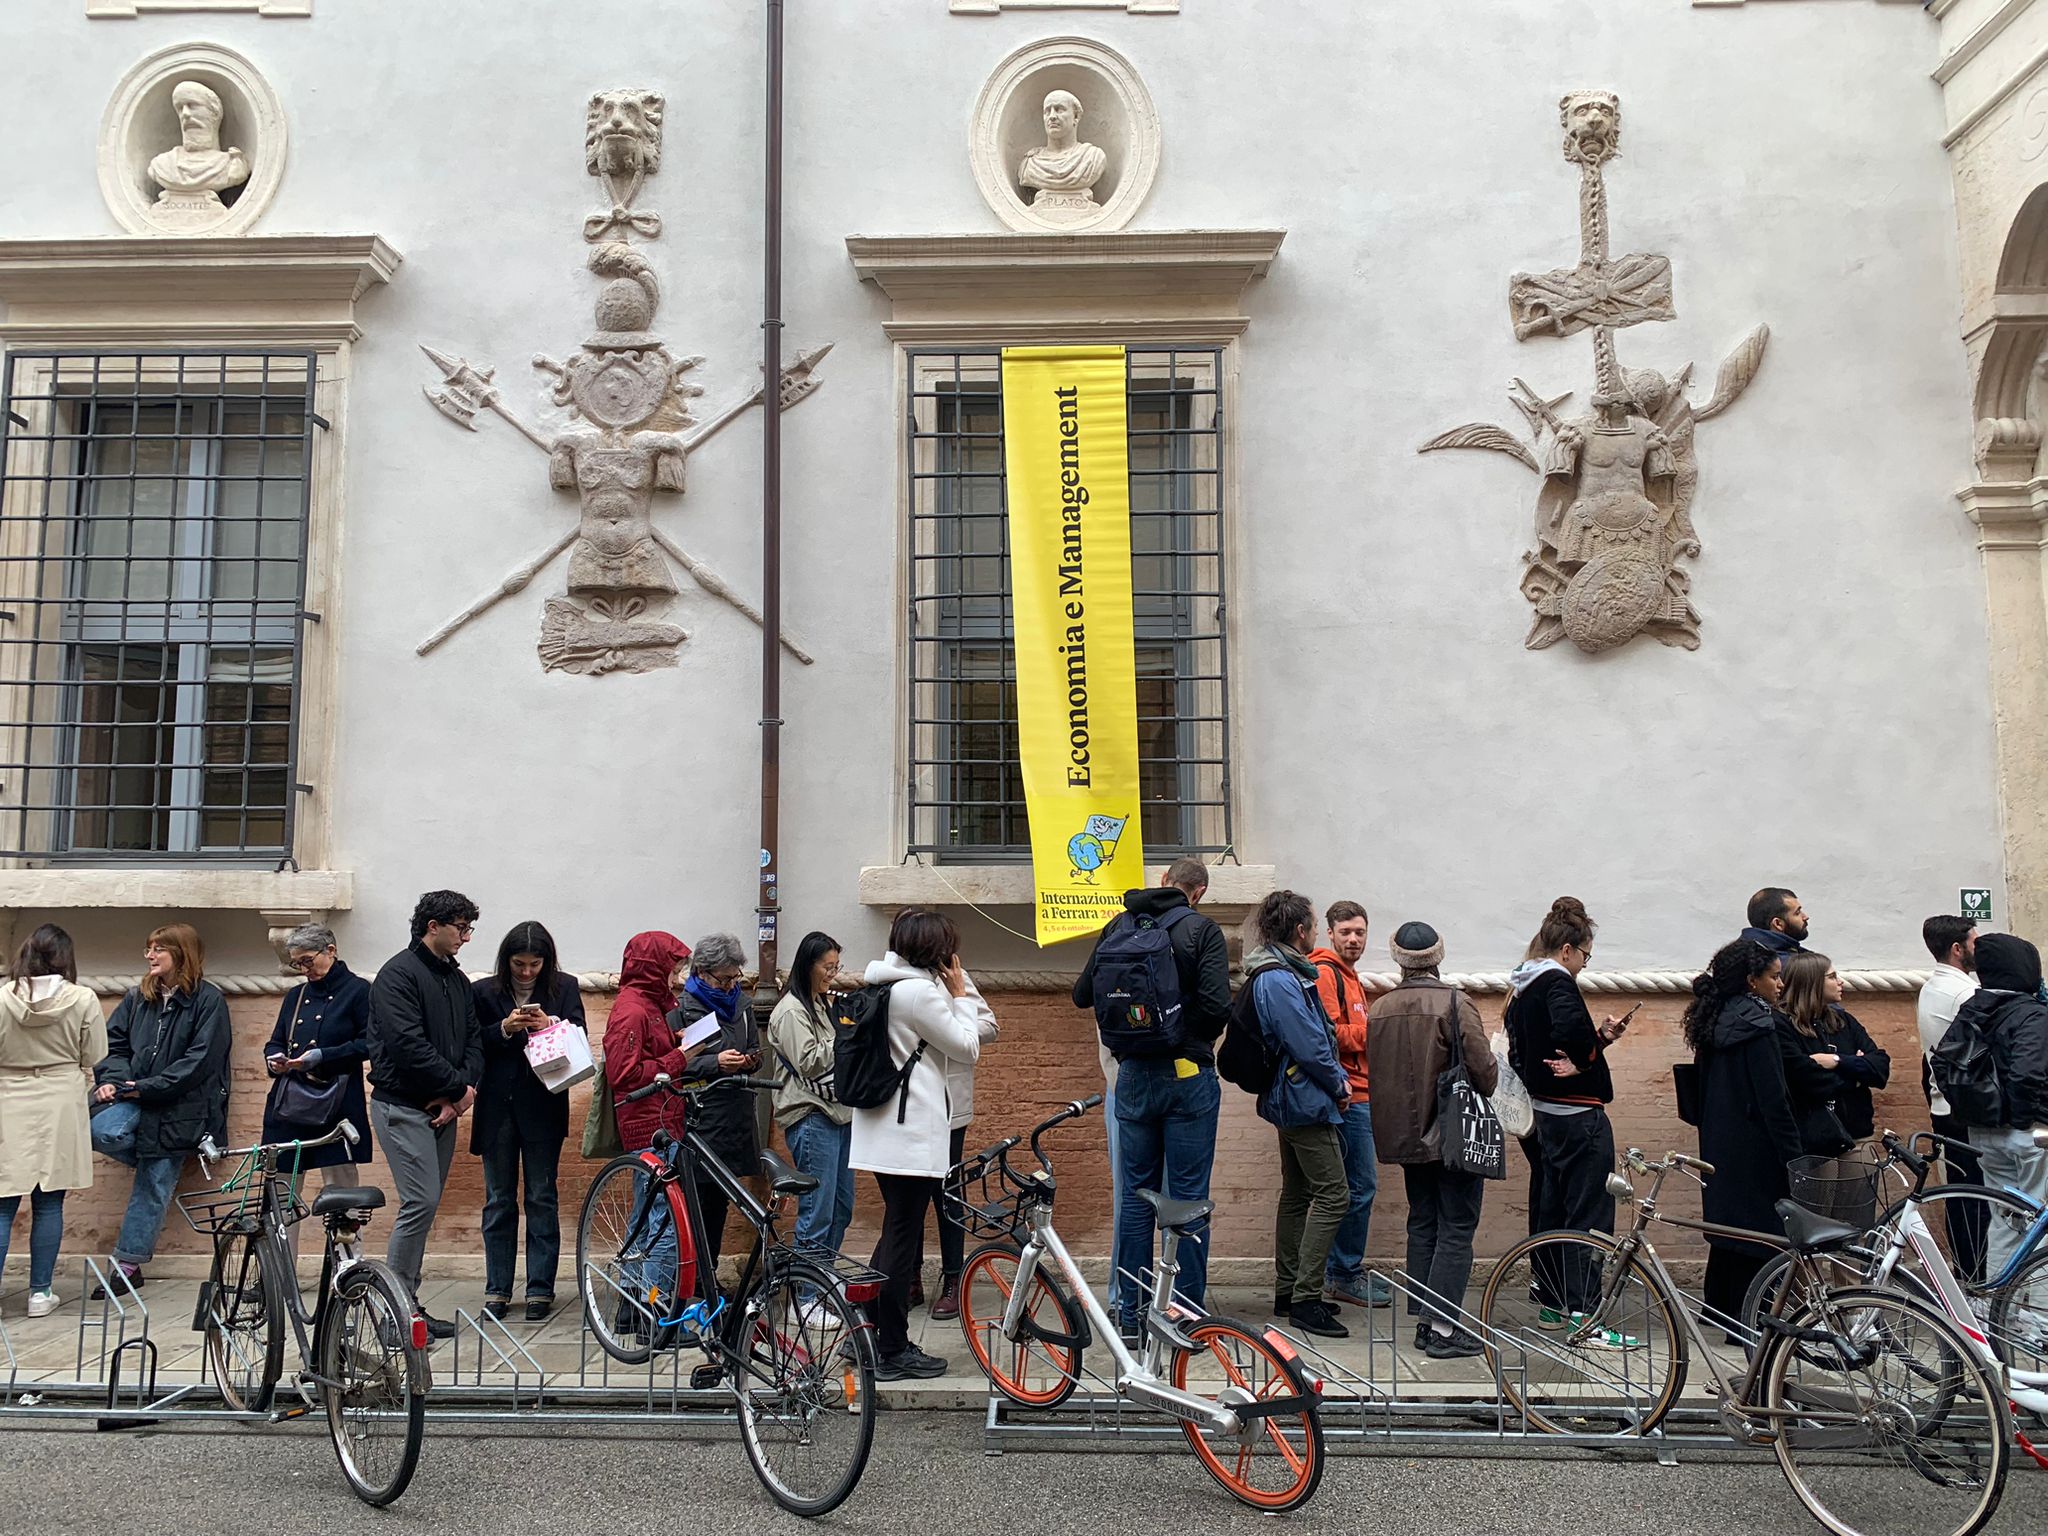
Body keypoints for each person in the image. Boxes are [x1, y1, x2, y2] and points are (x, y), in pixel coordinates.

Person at [1072, 856, 1231, 1337]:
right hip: (1187, 1076)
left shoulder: (1118, 925)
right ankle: (1183, 1313)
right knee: (1187, 1196)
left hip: (1133, 1075)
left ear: (1163, 881)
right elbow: (1216, 1008)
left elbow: (1083, 995)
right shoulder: (1202, 931)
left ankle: (1131, 1316)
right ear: (1197, 892)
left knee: (1136, 1197)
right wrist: (1180, 1035)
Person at [851, 909, 993, 1381]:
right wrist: (960, 995)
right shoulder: (918, 994)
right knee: (901, 1237)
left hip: (883, 1126)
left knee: (896, 1231)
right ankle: (891, 1349)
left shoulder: (881, 984)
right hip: (909, 1133)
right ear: (935, 950)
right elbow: (967, 1046)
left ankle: (867, 1334)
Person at [1503, 898, 1633, 1338]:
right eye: (1585, 955)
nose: (1583, 964)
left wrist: (1597, 1041)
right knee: (1589, 1213)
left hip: (1544, 1114)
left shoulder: (1522, 986)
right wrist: (1586, 1054)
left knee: (1551, 1208)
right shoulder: (1558, 983)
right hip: (1579, 1115)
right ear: (1567, 950)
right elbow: (1569, 1035)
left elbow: (1532, 1048)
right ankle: (1585, 1313)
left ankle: (1553, 1302)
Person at [1367, 920, 1496, 1358]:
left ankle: (1426, 1324)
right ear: (1438, 958)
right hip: (1452, 1134)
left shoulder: (1379, 1008)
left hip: (1404, 1136)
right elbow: (1484, 1071)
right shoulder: (1457, 1004)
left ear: (1398, 959)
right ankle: (1442, 1329)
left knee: (1422, 1223)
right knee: (1457, 1227)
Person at [88, 923, 231, 1296]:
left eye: (158, 950)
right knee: (100, 1131)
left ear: (180, 954)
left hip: (179, 1106)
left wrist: (149, 1087)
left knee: (152, 1185)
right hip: (134, 1097)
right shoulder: (138, 997)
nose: (150, 956)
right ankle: (152, 1157)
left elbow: (200, 1061)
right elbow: (112, 1044)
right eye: (148, 949)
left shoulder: (208, 1000)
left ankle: (127, 1266)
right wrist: (113, 1080)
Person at [368, 890, 484, 1338]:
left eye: (469, 928)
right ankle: (393, 1314)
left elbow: (473, 1040)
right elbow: (406, 1046)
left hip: (444, 1108)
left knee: (426, 1204)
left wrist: (462, 1094)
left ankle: (408, 1306)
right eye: (460, 928)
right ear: (432, 926)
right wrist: (455, 1088)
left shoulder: (455, 980)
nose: (466, 938)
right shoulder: (397, 975)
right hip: (402, 1106)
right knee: (420, 1202)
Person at [1242, 891, 1352, 1340]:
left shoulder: (1276, 970)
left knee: (1299, 1193)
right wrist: (1339, 1084)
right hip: (1304, 1100)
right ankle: (1305, 1299)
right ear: (1301, 931)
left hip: (1291, 1098)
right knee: (1334, 1195)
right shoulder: (1281, 979)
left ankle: (1289, 1292)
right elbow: (1309, 1044)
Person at [472, 920, 586, 1322]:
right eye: (519, 964)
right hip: (496, 1107)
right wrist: (504, 1028)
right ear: (506, 961)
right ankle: (497, 1289)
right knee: (499, 1200)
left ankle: (540, 1288)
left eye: (534, 964)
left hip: (543, 1104)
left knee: (541, 1196)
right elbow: (473, 1043)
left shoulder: (564, 986)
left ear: (546, 961)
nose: (526, 972)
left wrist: (549, 1026)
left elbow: (580, 1034)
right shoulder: (484, 991)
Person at [1684, 939, 1803, 1324]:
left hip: (1719, 1138)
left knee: (1728, 1228)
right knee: (1763, 1233)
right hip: (1757, 1143)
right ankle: (1749, 1320)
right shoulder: (1759, 1025)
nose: (1780, 985)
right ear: (1752, 981)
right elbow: (1774, 1099)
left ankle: (1718, 1308)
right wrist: (1793, 1154)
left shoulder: (1713, 1019)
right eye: (1774, 977)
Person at [0, 925, 106, 1317]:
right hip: (60, 1097)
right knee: (49, 1200)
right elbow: (95, 1051)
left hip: (8, 1095)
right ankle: (40, 1293)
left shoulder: (2, 998)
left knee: (2, 1202)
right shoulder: (82, 998)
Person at [262, 923, 373, 1281]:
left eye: (308, 961)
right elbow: (276, 1040)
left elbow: (369, 1044)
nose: (304, 970)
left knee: (342, 1192)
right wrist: (275, 1057)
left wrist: (321, 1056)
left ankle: (348, 1270)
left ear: (331, 950)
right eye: (297, 964)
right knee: (281, 1191)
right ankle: (277, 1276)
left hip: (337, 1103)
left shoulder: (358, 992)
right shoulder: (295, 997)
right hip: (291, 1106)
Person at [602, 931, 693, 1333]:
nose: (676, 978)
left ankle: (631, 1307)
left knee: (645, 1215)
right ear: (653, 967)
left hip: (660, 1118)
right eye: (671, 969)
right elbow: (624, 1073)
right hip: (648, 1123)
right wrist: (679, 1058)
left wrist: (672, 1044)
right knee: (664, 1220)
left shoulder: (648, 1005)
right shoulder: (633, 1009)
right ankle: (655, 1314)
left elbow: (645, 1054)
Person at [1949, 933, 2048, 1279]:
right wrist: (2021, 1121)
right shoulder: (2031, 1013)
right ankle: (2037, 1327)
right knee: (2040, 1232)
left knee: (2005, 1223)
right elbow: (2026, 1074)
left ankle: (1997, 1310)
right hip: (2030, 1134)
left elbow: (1945, 1064)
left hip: (1984, 1132)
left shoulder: (1972, 1009)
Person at [1309, 899, 1391, 1308]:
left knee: (1350, 1188)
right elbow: (1326, 1034)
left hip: (1360, 1093)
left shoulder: (1350, 977)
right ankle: (1342, 1272)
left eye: (1360, 932)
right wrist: (1371, 1033)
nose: (1354, 939)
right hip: (1346, 1097)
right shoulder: (1326, 972)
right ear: (1330, 934)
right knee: (1358, 1187)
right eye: (1346, 932)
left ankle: (1340, 1271)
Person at [672, 933, 763, 1285]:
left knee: (721, 1199)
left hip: (736, 1111)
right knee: (700, 1200)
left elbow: (753, 1045)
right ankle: (696, 1280)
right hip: (703, 1114)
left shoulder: (742, 1005)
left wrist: (750, 1061)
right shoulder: (686, 1007)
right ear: (702, 972)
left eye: (734, 977)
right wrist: (716, 1064)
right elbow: (679, 1063)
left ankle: (706, 1278)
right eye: (722, 979)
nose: (729, 986)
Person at [767, 932, 854, 1271]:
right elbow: (810, 1061)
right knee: (817, 1209)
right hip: (812, 1116)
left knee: (841, 1206)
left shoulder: (820, 1003)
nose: (834, 974)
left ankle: (822, 1277)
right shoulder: (791, 1011)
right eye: (827, 967)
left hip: (840, 1113)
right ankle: (805, 1294)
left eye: (837, 966)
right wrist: (848, 1035)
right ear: (807, 966)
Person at [1917, 915, 1987, 1281]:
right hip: (1963, 1110)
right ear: (1958, 949)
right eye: (1976, 941)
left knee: (1963, 1195)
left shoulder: (1933, 987)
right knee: (1974, 1199)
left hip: (1946, 1106)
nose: (1981, 947)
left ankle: (1967, 1271)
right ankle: (1975, 1276)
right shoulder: (1963, 994)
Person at [1780, 952, 1889, 1144]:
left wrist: (1838, 1061)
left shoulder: (1843, 1021)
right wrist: (1856, 1077)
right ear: (1810, 982)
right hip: (1815, 1140)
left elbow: (1880, 1066)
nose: (1841, 982)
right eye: (1831, 977)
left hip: (1857, 1133)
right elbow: (1805, 1080)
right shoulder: (1784, 1026)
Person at [1740, 887, 1810, 963]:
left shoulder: (1738, 954)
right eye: (1797, 913)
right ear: (1778, 924)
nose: (1805, 917)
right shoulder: (1786, 967)